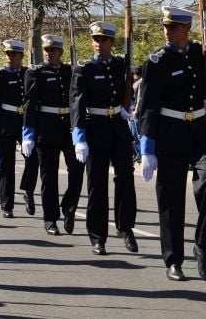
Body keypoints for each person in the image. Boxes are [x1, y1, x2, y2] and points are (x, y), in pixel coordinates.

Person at [138, 6, 206, 282]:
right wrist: (147, 147)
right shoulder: (156, 61)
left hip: (198, 129)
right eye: (166, 26)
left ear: (187, 29)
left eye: (173, 27)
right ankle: (173, 260)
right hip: (170, 132)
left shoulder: (198, 52)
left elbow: (201, 85)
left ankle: (202, 243)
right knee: (171, 200)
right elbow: (147, 106)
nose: (167, 31)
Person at [70, 21, 138, 255]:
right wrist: (79, 137)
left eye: (104, 40)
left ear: (112, 42)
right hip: (95, 130)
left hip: (118, 128)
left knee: (125, 180)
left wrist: (127, 106)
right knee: (97, 186)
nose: (99, 44)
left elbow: (129, 89)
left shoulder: (121, 65)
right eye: (96, 40)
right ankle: (98, 236)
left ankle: (125, 227)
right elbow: (77, 104)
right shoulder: (84, 68)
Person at [21, 34, 85, 236]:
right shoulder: (35, 73)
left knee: (77, 170)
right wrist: (28, 133)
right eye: (46, 50)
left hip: (68, 127)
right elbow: (30, 104)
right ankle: (50, 219)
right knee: (49, 176)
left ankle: (69, 206)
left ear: (61, 52)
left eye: (53, 50)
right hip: (45, 128)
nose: (49, 54)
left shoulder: (70, 71)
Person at [0, 39, 38, 219]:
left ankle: (27, 191)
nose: (10, 57)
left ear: (22, 56)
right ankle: (7, 205)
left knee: (33, 159)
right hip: (5, 123)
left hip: (25, 121)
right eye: (8, 54)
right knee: (6, 165)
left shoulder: (27, 73)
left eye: (14, 54)